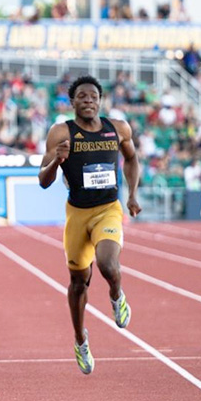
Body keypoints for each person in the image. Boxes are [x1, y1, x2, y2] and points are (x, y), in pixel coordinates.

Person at [38, 74, 141, 375]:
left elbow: (132, 160)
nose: (88, 101)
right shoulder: (61, 133)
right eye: (82, 97)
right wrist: (57, 161)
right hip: (77, 214)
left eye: (93, 96)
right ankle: (80, 339)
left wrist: (132, 194)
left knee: (108, 264)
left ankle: (116, 295)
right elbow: (43, 181)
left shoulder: (118, 128)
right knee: (78, 282)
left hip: (108, 209)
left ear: (100, 100)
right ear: (72, 102)